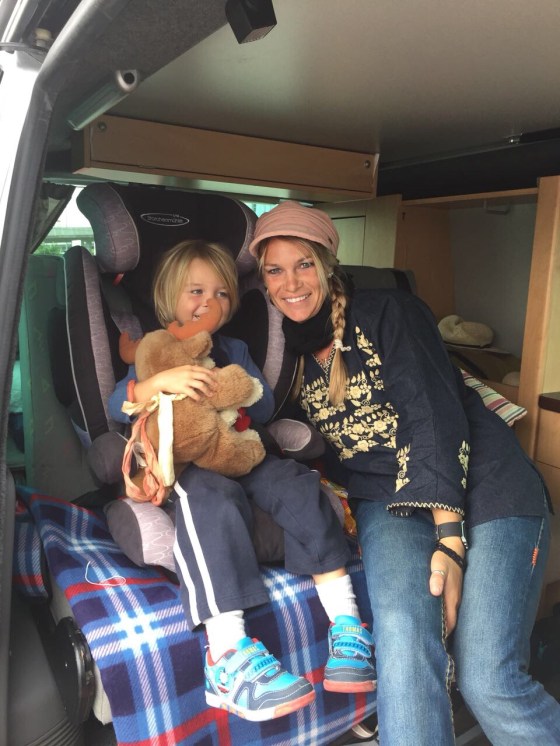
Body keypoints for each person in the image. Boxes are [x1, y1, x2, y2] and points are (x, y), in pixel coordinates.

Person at [248, 201, 560, 745]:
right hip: (384, 500)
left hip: (487, 487)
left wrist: (449, 540)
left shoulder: (389, 311)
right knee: (404, 639)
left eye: (304, 265)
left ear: (327, 264)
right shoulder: (282, 357)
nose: (290, 283)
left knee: (488, 679)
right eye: (275, 270)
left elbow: (430, 414)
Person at [109, 239, 375, 722]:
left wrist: (233, 387)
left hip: (243, 451)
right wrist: (157, 384)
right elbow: (117, 404)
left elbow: (264, 405)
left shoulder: (235, 348)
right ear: (169, 297)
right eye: (195, 291)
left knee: (297, 483)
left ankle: (347, 625)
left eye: (221, 294)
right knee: (208, 497)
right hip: (189, 464)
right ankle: (226, 656)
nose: (209, 302)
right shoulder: (157, 346)